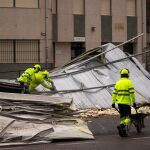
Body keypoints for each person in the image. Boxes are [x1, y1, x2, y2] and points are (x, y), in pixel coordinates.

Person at [112, 68, 136, 137]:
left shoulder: (117, 83)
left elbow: (114, 94)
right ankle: (122, 126)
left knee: (123, 118)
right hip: (126, 104)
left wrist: (113, 103)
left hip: (119, 104)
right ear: (128, 75)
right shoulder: (129, 82)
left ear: (121, 75)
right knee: (128, 118)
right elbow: (132, 94)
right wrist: (134, 102)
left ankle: (123, 132)